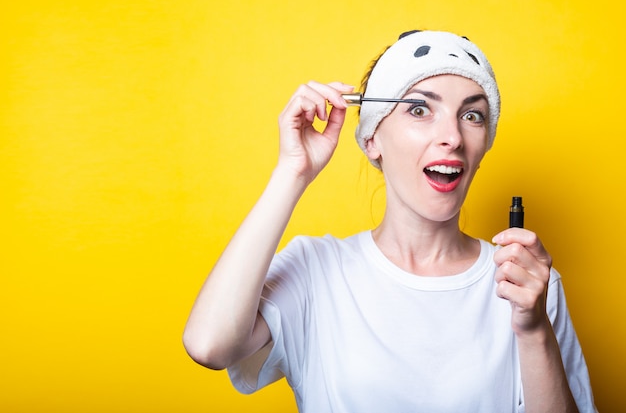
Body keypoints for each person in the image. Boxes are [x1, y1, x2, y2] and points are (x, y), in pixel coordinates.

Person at [183, 30, 597, 412]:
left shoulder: (526, 282)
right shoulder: (317, 270)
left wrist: (533, 330)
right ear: (371, 139)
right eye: (420, 109)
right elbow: (209, 345)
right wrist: (293, 171)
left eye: (472, 115)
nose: (452, 136)